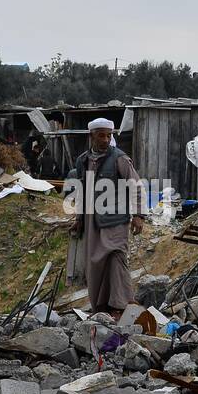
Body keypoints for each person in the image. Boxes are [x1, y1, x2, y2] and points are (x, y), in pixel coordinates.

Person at [68, 117, 144, 316]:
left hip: (116, 219)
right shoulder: (82, 161)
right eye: (101, 135)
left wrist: (138, 215)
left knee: (116, 257)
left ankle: (123, 304)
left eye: (108, 135)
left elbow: (136, 185)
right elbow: (81, 192)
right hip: (92, 221)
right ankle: (102, 306)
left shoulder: (119, 158)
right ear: (91, 136)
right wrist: (78, 219)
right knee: (95, 264)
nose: (105, 139)